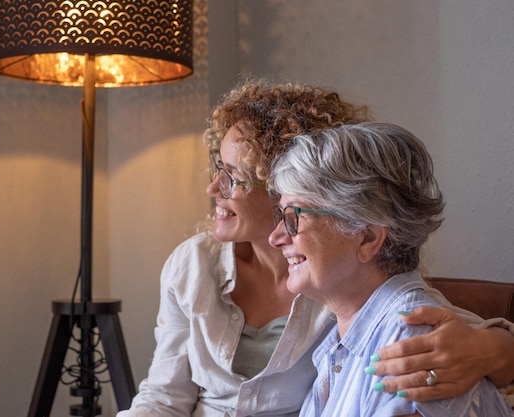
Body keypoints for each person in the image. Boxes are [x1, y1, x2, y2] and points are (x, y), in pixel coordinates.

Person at [116, 79, 514, 417]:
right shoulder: (197, 263)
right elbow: (164, 395)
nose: (213, 188)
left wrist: (491, 349)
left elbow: (430, 320)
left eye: (233, 176)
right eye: (217, 168)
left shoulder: (364, 303)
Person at [268, 122, 513, 416]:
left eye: (294, 216)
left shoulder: (412, 351)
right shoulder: (346, 337)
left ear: (368, 238)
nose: (277, 237)